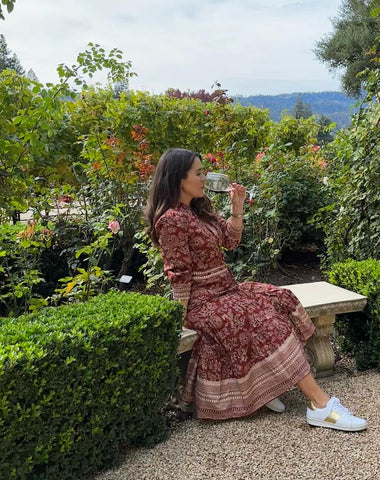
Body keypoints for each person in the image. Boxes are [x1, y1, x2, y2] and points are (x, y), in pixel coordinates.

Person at [145, 148, 367, 432]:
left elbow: (230, 240)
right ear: (178, 179)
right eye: (198, 173)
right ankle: (320, 406)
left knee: (280, 299)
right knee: (266, 324)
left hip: (228, 290)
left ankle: (272, 386)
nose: (204, 178)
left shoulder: (196, 209)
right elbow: (178, 273)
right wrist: (181, 316)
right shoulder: (171, 220)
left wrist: (236, 208)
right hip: (204, 302)